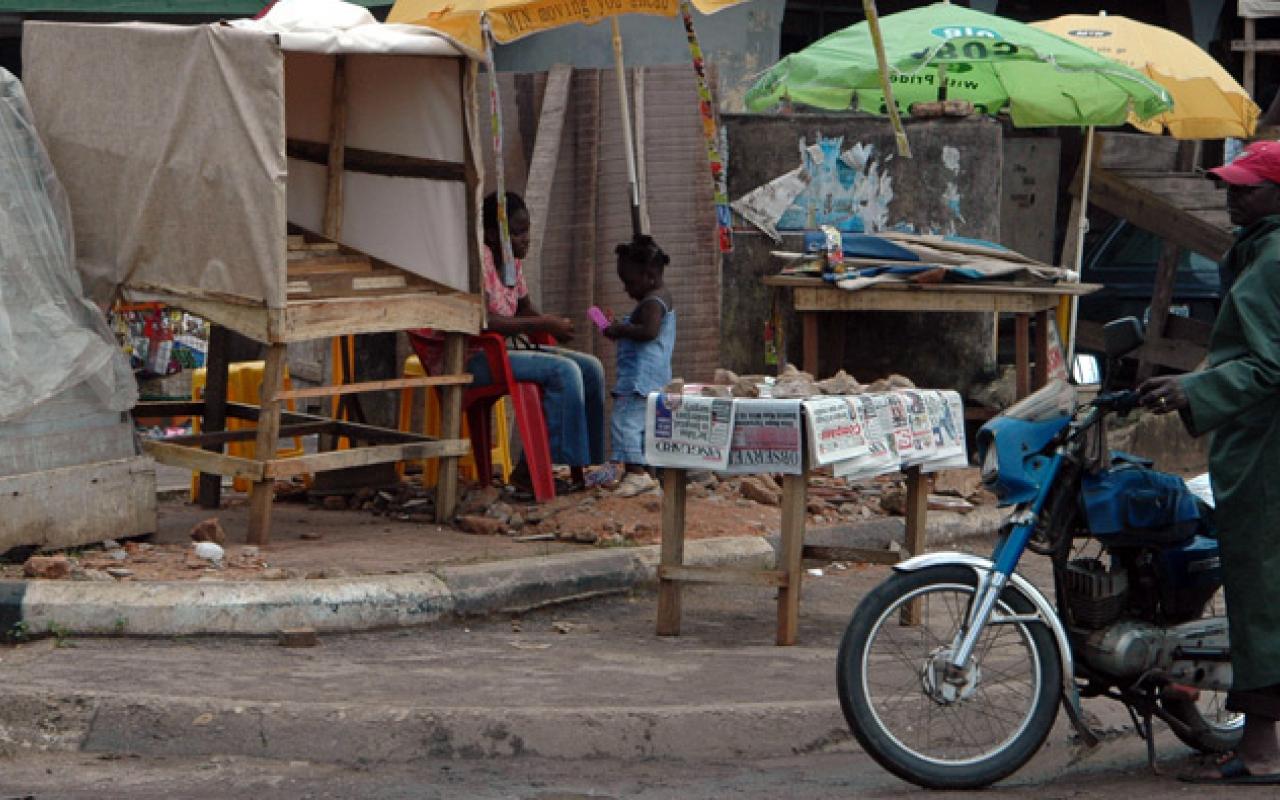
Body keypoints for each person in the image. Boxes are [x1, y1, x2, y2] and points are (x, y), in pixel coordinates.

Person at [1138, 139, 1280, 785]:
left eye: (1246, 188)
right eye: (1228, 186)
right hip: (1252, 439)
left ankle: (1260, 752)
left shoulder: (1272, 258)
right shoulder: (1255, 252)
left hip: (1266, 447)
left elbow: (1265, 364)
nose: (1231, 198)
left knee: (1260, 592)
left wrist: (1192, 391)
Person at [421, 192, 605, 494]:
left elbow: (523, 309)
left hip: (500, 351)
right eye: (518, 233)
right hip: (471, 357)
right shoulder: (477, 261)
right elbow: (481, 322)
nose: (526, 239)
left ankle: (583, 464)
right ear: (493, 234)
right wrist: (542, 324)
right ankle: (545, 470)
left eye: (526, 231)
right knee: (565, 372)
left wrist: (553, 325)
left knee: (590, 367)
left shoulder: (511, 263)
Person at [601, 235, 675, 497]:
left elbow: (649, 332)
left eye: (629, 282)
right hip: (655, 378)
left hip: (638, 378)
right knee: (645, 427)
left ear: (649, 276)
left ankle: (635, 473)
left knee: (625, 422)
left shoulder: (652, 302)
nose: (626, 290)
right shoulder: (661, 297)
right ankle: (649, 476)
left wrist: (621, 328)